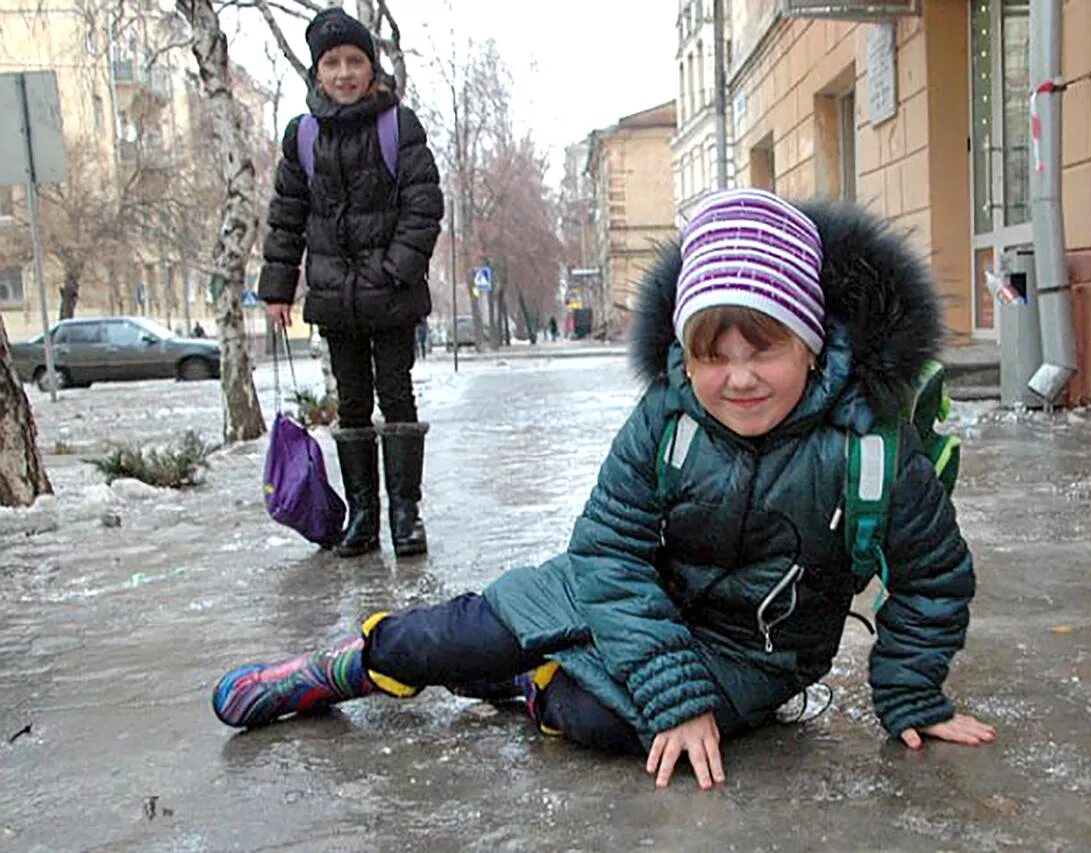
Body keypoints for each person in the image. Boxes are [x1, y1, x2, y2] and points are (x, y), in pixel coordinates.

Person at [213, 190, 994, 789]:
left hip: (749, 655)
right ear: (684, 354)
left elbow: (932, 577)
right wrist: (665, 679)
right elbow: (609, 549)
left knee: (602, 718)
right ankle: (347, 667)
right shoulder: (667, 421)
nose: (740, 377)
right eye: (712, 355)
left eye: (765, 348)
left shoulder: (870, 452)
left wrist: (910, 694)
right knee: (459, 630)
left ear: (813, 341)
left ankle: (527, 680)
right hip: (615, 593)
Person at [258, 7, 443, 558]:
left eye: (354, 61)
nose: (344, 73)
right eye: (332, 63)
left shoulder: (398, 126)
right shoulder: (303, 136)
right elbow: (286, 214)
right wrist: (277, 287)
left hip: (391, 296)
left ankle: (405, 517)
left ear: (371, 68)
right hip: (335, 296)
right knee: (353, 403)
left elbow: (423, 205)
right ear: (318, 72)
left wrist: (396, 271)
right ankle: (363, 518)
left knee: (398, 396)